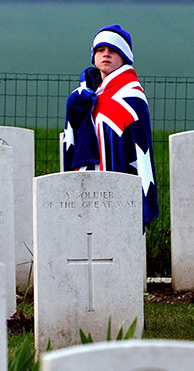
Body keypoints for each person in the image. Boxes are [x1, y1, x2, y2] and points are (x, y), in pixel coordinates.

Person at [62, 24, 159, 227]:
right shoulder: (84, 96)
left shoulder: (131, 96)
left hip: (119, 188)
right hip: (89, 183)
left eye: (112, 50)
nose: (106, 55)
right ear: (94, 56)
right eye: (100, 50)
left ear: (124, 56)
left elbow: (135, 147)